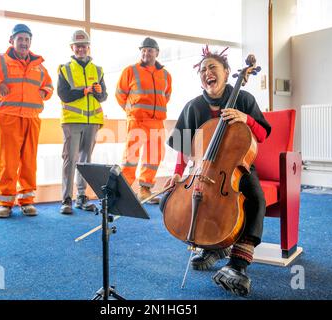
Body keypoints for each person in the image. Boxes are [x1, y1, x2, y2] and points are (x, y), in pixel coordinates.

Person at [162, 46, 271, 296]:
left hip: (236, 168)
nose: (207, 73)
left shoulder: (244, 99)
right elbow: (182, 145)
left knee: (256, 198)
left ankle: (238, 264)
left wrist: (247, 119)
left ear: (227, 72)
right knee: (169, 201)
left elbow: (263, 134)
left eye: (212, 67)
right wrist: (179, 173)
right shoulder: (193, 107)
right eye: (202, 70)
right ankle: (212, 246)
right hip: (201, 170)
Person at [0, 24, 53, 218]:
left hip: (32, 119)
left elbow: (49, 86)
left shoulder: (39, 66)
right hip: (7, 118)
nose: (23, 42)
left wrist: (45, 92)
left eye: (27, 39)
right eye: (20, 38)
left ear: (30, 42)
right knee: (8, 161)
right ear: (11, 40)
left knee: (29, 162)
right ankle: (5, 203)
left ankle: (27, 201)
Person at [115, 37, 172, 202]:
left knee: (153, 157)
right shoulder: (130, 71)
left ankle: (145, 190)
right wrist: (132, 111)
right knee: (131, 156)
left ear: (157, 53)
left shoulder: (166, 75)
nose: (146, 53)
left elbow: (165, 96)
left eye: (150, 50)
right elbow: (120, 94)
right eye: (144, 50)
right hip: (137, 121)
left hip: (157, 122)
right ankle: (124, 191)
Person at [57, 30, 107, 214]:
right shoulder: (65, 69)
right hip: (72, 121)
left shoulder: (98, 70)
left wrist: (99, 91)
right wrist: (83, 91)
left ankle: (81, 197)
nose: (81, 49)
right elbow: (63, 94)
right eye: (77, 46)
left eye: (84, 46)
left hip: (92, 121)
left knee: (86, 161)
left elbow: (103, 97)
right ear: (72, 48)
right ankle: (66, 200)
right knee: (70, 160)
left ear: (88, 47)